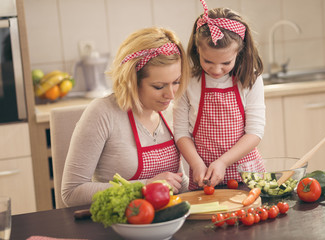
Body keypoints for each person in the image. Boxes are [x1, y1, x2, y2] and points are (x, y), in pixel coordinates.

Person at [61, 27, 190, 207]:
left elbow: (176, 182)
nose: (170, 95)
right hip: (116, 225)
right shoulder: (103, 113)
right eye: (159, 86)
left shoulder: (170, 111)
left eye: (176, 82)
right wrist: (144, 186)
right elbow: (72, 193)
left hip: (164, 222)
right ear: (132, 80)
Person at [173, 0, 266, 190]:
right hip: (203, 174)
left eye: (225, 62)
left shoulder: (250, 78)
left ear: (239, 53)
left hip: (246, 174)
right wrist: (196, 164)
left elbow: (255, 132)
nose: (216, 70)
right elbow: (181, 133)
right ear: (196, 49)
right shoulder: (188, 80)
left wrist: (223, 162)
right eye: (207, 61)